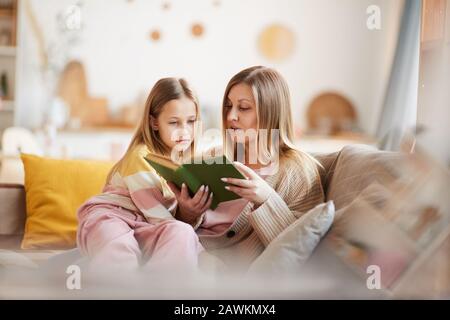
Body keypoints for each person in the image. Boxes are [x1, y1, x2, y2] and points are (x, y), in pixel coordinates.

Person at [172, 66, 326, 272]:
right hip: (184, 253)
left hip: (228, 274)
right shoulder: (212, 157)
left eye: (243, 108)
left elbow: (299, 250)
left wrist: (265, 200)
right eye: (228, 106)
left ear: (271, 112)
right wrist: (187, 213)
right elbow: (177, 221)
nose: (231, 116)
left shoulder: (298, 172)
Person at [76, 78, 212, 273]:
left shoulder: (185, 163)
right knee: (118, 247)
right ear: (154, 122)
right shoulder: (141, 155)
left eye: (191, 121)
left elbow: (166, 222)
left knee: (182, 232)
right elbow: (157, 215)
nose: (184, 131)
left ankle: (160, 291)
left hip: (146, 225)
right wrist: (200, 252)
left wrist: (189, 214)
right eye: (174, 122)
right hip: (113, 216)